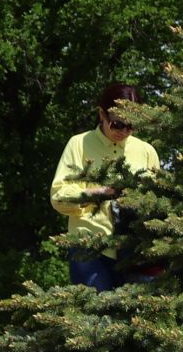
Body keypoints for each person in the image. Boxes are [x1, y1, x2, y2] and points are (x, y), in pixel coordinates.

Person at [49, 83, 161, 290]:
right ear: (102, 114)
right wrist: (99, 193)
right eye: (118, 124)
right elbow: (58, 196)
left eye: (132, 125)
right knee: (99, 318)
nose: (125, 131)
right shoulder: (78, 144)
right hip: (88, 247)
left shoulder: (147, 151)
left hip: (134, 251)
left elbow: (159, 202)